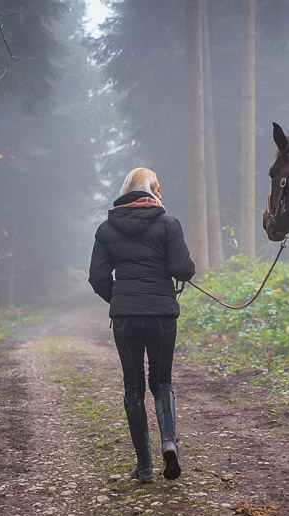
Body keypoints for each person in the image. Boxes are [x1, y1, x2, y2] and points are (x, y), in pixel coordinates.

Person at [89, 168, 196, 482]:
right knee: (161, 382)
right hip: (161, 315)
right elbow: (182, 269)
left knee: (133, 386)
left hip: (125, 319)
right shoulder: (168, 224)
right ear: (148, 189)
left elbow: (97, 278)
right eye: (157, 189)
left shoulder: (106, 229)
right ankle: (169, 443)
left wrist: (120, 299)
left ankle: (144, 465)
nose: (160, 195)